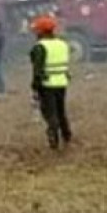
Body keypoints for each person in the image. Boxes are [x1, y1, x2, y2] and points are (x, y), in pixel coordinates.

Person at [29, 15, 73, 150]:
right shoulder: (63, 44)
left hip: (47, 84)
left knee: (49, 112)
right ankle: (67, 135)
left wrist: (35, 85)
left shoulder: (40, 47)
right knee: (61, 111)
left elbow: (38, 68)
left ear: (41, 31)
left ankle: (53, 137)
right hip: (62, 82)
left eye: (36, 30)